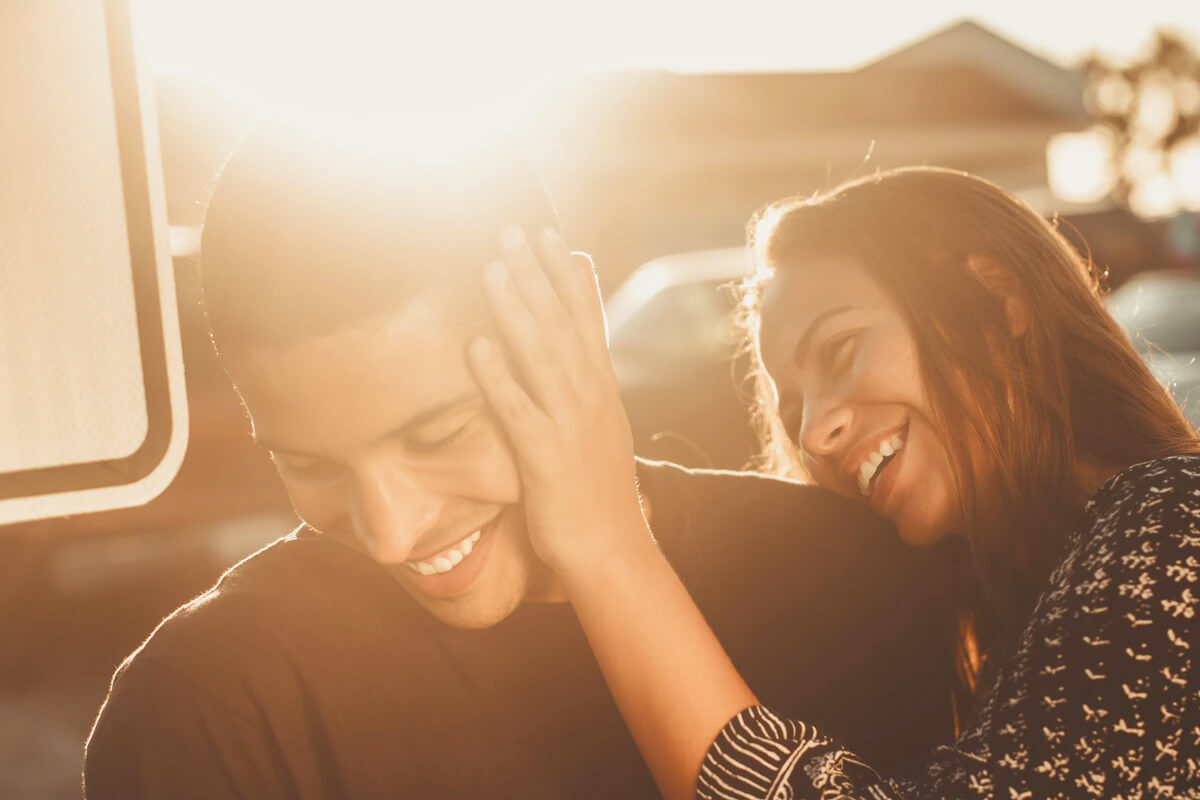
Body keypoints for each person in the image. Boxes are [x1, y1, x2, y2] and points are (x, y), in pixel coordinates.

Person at [82, 123, 960, 799]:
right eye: (309, 464)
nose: (389, 531)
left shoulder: (842, 579)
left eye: (439, 436)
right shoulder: (205, 708)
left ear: (570, 324)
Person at [471, 166, 1200, 799]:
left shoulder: (1173, 520)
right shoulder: (1008, 621)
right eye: (792, 411)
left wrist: (609, 547)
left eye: (841, 348)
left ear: (996, 298)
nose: (815, 434)